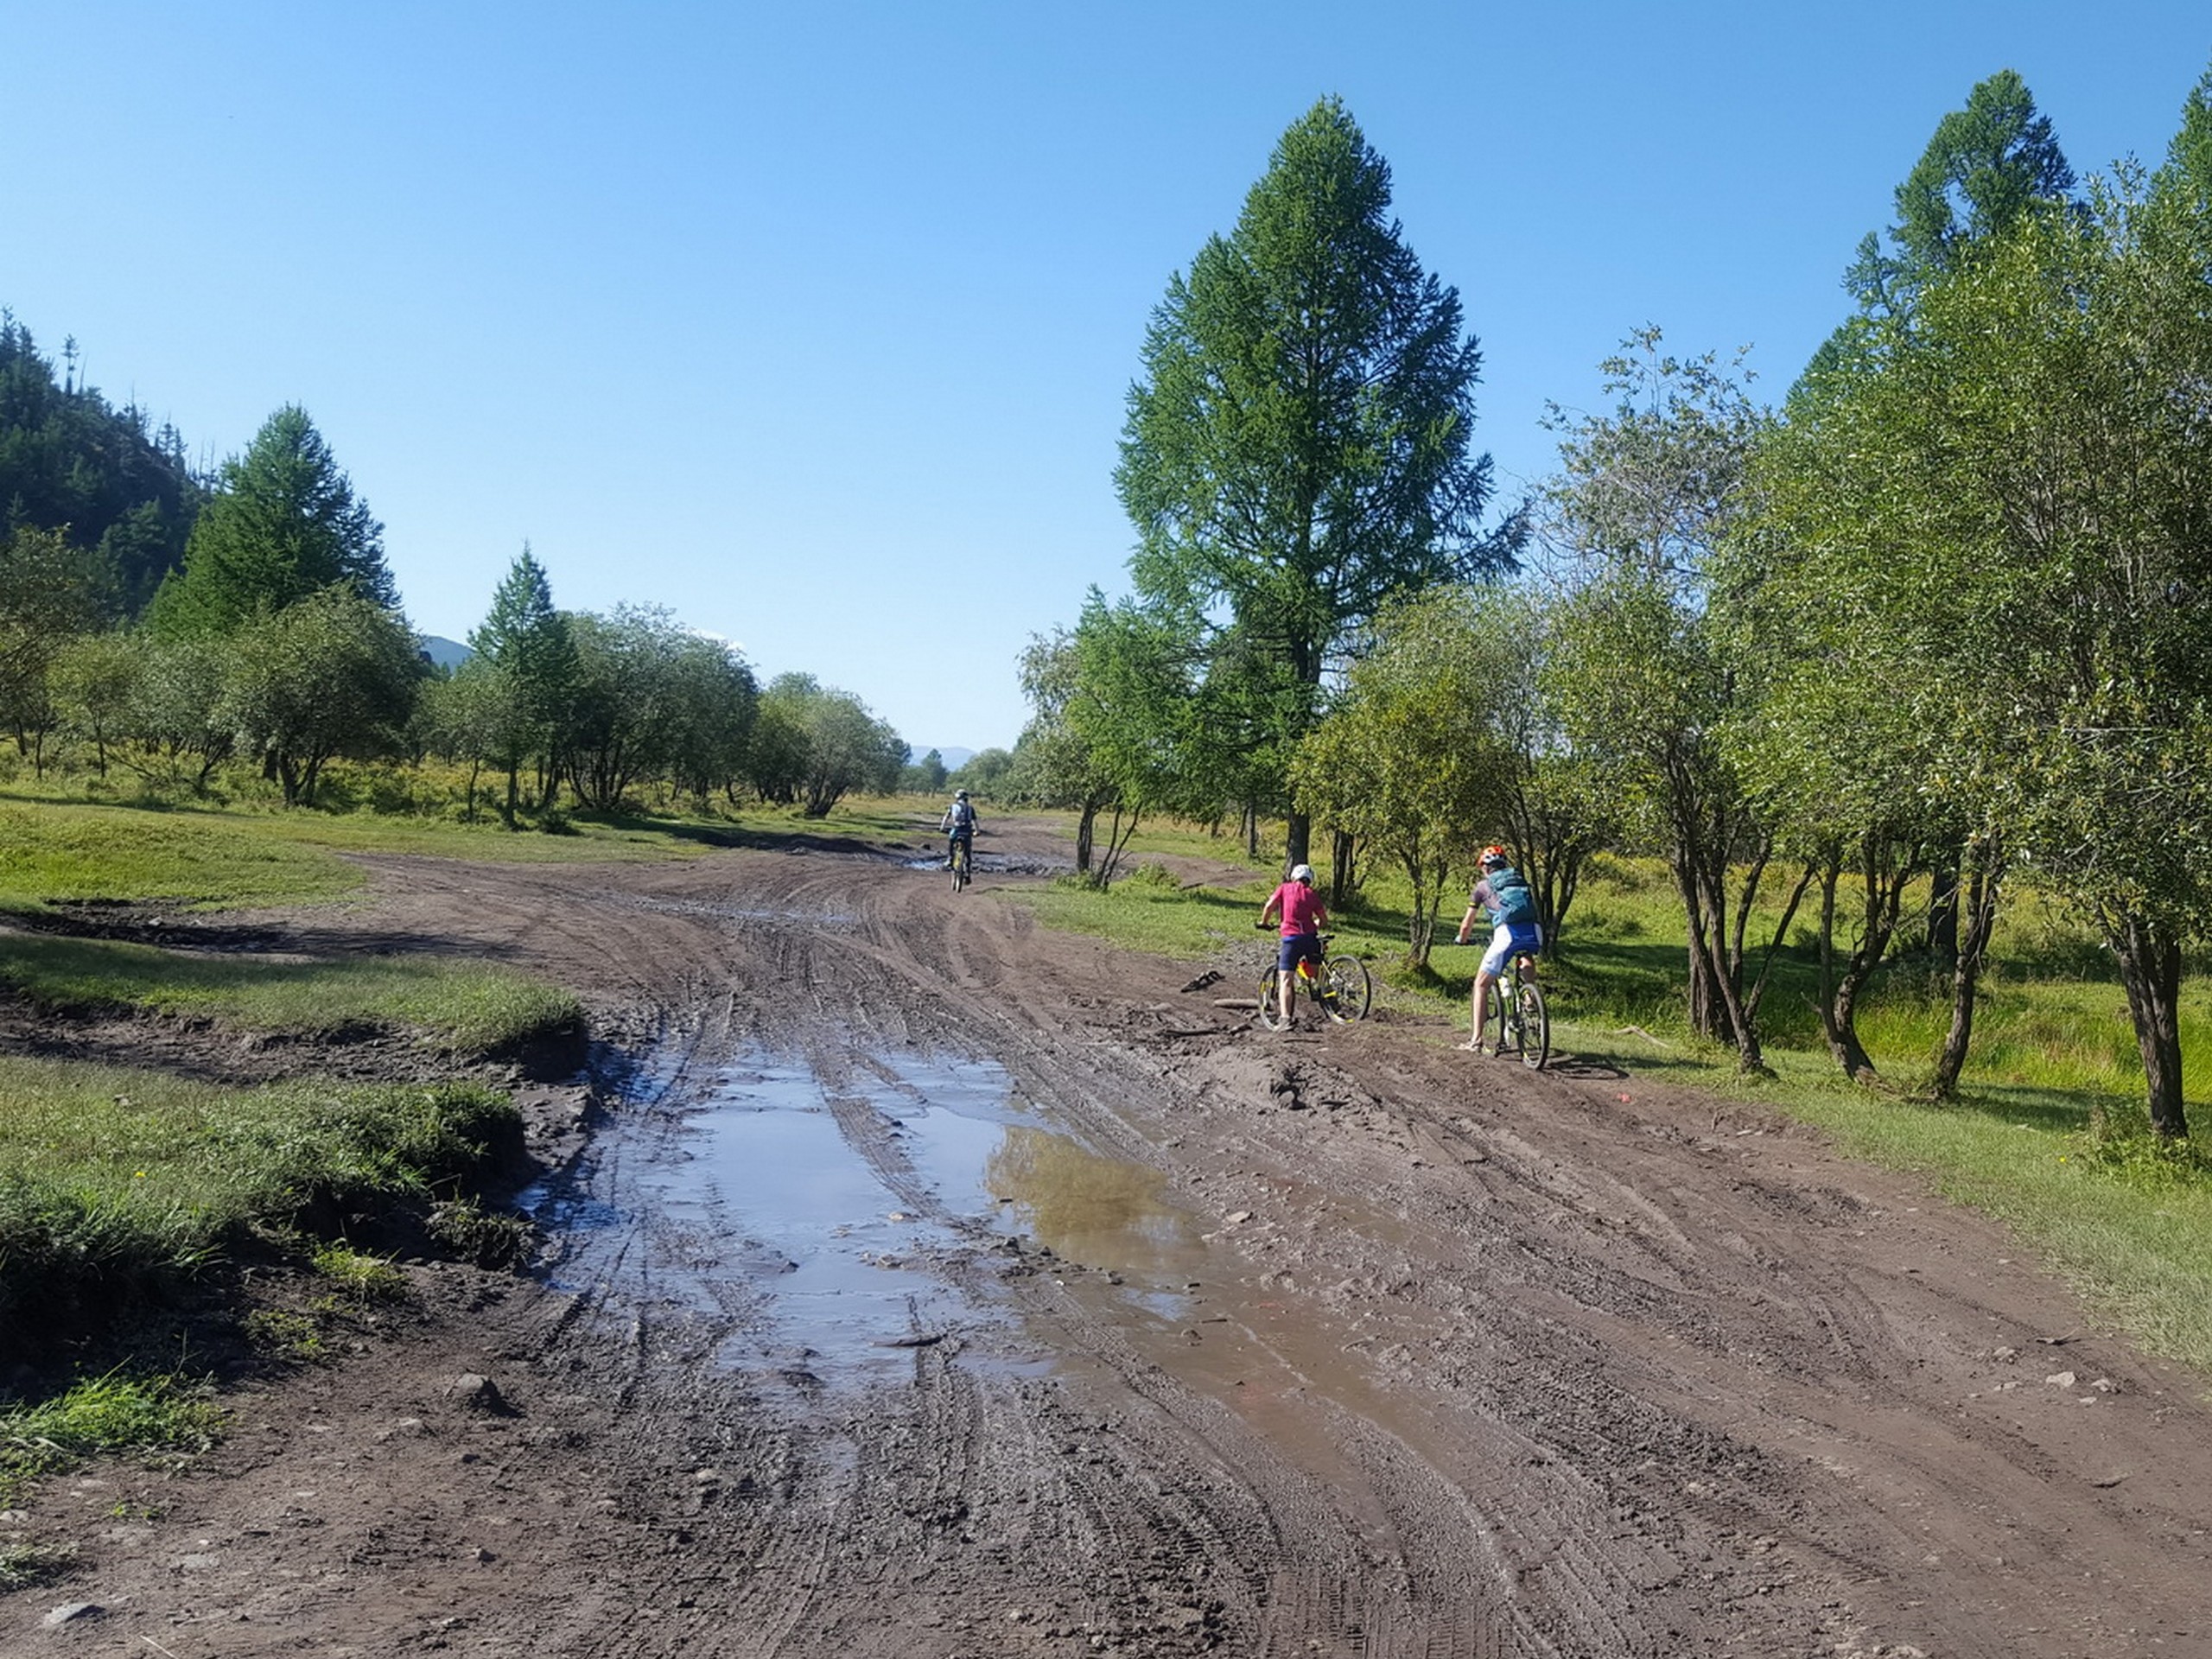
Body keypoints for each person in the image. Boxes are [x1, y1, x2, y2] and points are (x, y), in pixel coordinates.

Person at [1455, 844, 1541, 1053]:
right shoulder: (1519, 880)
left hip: (1506, 934)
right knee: (1526, 954)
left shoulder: (1483, 887)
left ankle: (1476, 1040)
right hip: (1534, 930)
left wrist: (1462, 939)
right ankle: (1530, 995)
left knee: (1481, 984)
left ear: (1485, 867)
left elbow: (1467, 924)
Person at [1258, 862, 1332, 1026]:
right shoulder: (1312, 894)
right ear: (1309, 880)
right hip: (1310, 938)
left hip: (1291, 939)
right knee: (1315, 972)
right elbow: (1324, 920)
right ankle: (1329, 997)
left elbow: (1270, 906)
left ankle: (1285, 1019)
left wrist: (1264, 922)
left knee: (1286, 979)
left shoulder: (1284, 888)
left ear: (1293, 877)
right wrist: (1315, 924)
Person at [940, 789, 977, 872]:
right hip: (967, 830)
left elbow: (946, 817)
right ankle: (968, 869)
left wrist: (942, 827)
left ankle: (950, 859)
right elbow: (975, 821)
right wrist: (977, 832)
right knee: (968, 851)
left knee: (951, 840)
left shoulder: (953, 806)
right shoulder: (970, 808)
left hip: (956, 829)